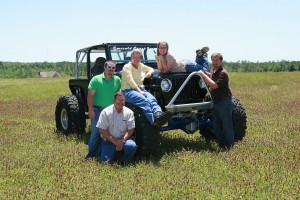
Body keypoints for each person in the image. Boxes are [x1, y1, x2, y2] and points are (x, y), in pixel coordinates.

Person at [121, 49, 172, 127]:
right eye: (134, 57)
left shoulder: (141, 65)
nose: (136, 59)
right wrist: (140, 92)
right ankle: (154, 122)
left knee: (153, 100)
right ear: (131, 58)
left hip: (141, 89)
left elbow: (152, 69)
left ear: (141, 59)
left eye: (138, 58)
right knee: (144, 100)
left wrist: (149, 73)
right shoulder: (127, 67)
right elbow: (131, 81)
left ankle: (159, 115)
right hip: (128, 90)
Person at [85, 60, 121, 160]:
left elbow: (119, 94)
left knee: (109, 134)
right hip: (97, 110)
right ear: (104, 67)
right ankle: (91, 155)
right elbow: (90, 95)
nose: (111, 70)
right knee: (95, 134)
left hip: (111, 111)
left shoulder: (117, 80)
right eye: (109, 67)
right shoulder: (96, 79)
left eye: (113, 68)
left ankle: (104, 155)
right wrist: (90, 110)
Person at [198, 53, 234, 148]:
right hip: (216, 103)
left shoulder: (223, 73)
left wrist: (203, 75)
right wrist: (206, 73)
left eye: (217, 60)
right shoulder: (214, 70)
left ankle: (229, 146)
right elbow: (212, 77)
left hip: (224, 102)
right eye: (213, 60)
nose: (214, 62)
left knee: (227, 126)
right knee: (216, 126)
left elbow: (214, 86)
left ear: (221, 61)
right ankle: (223, 145)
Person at [97, 92, 137, 164]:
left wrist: (122, 140)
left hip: (124, 140)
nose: (121, 102)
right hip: (109, 140)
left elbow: (131, 129)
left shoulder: (129, 112)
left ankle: (125, 162)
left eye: (123, 100)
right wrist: (115, 141)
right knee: (105, 162)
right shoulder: (105, 112)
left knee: (131, 146)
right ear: (114, 100)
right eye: (119, 100)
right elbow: (101, 129)